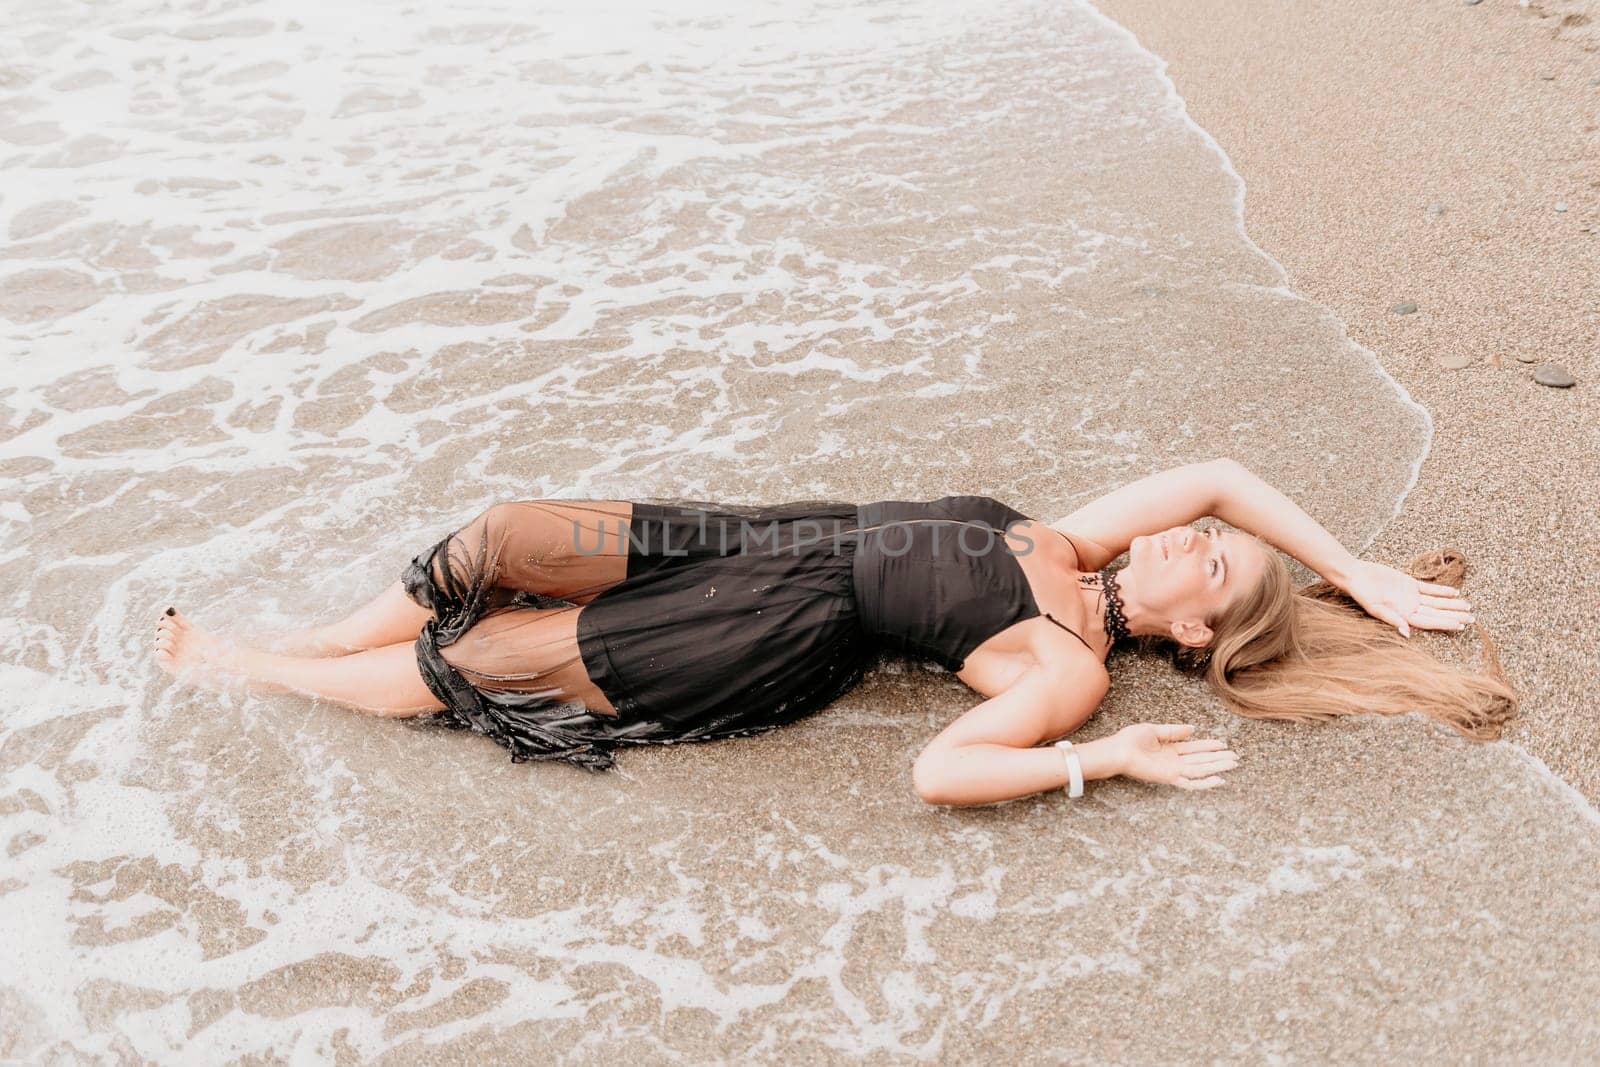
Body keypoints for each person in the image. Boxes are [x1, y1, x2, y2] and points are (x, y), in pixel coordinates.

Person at [152, 458, 1514, 806]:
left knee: (492, 662)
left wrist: (1101, 764)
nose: (1188, 533)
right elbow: (1223, 469)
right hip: (778, 533)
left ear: (1197, 628)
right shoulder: (1084, 542)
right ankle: (322, 640)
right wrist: (1358, 571)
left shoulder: (1065, 667)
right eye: (1198, 531)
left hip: (780, 628)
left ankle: (259, 671)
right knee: (505, 539)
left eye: (1207, 559)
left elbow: (940, 774)